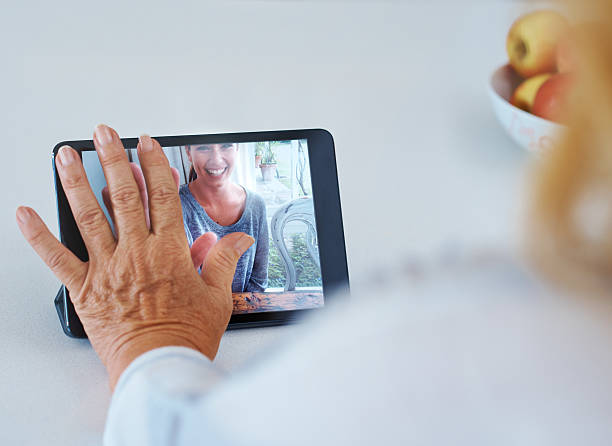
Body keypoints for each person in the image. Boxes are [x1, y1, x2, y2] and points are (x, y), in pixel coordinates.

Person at [15, 3, 612, 443]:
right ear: (190, 159)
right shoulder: (173, 204)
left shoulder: (479, 344)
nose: (216, 159)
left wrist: (149, 343)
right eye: (204, 153)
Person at [180, 143, 269, 292]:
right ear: (188, 152)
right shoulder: (177, 205)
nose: (216, 160)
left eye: (226, 146)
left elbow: (259, 281)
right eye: (203, 147)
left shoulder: (256, 205)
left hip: (246, 312)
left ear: (237, 149)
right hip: (198, 313)